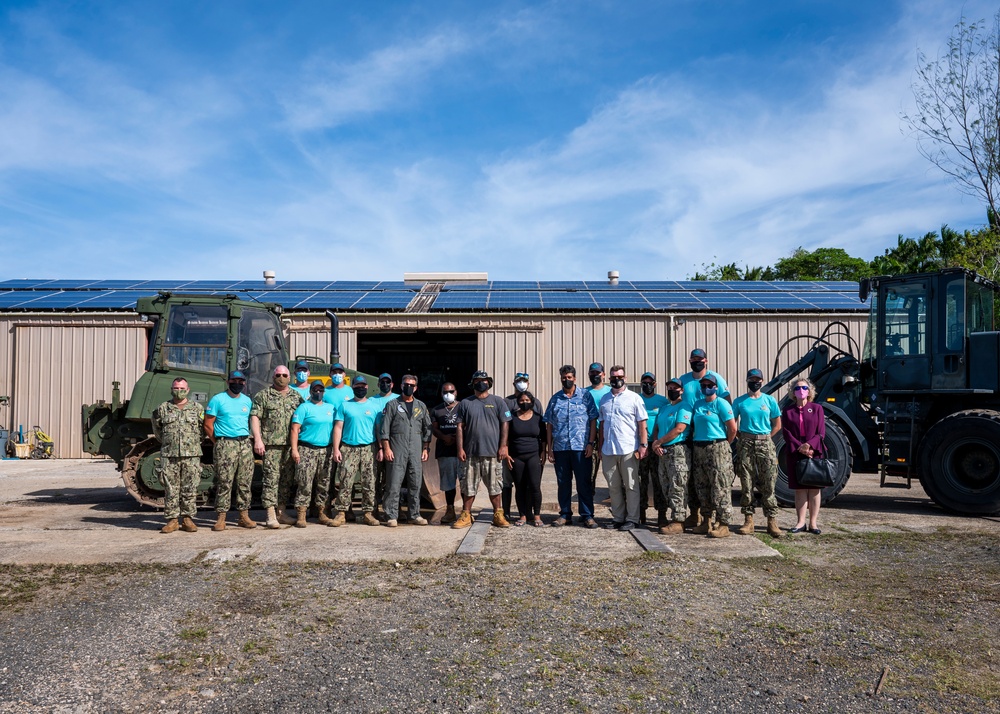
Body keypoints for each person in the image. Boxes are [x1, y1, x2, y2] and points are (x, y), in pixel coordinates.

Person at [453, 370, 512, 529]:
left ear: (489, 383)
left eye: (484, 380)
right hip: (471, 453)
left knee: (495, 486)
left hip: (493, 453)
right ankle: (466, 514)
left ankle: (498, 514)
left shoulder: (498, 402)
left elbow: (505, 423)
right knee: (468, 486)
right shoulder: (465, 403)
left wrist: (503, 446)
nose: (481, 383)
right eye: (478, 380)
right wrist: (460, 448)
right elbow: (459, 427)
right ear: (473, 383)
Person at [679, 348, 731, 530]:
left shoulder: (716, 378)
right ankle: (698, 516)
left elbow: (729, 414)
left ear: (706, 360)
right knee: (696, 480)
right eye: (693, 358)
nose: (696, 361)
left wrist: (724, 441)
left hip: (715, 438)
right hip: (692, 436)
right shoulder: (683, 380)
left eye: (700, 359)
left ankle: (721, 521)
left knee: (718, 482)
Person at [544, 365, 599, 528]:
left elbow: (593, 420)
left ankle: (587, 515)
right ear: (560, 378)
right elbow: (549, 424)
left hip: (581, 447)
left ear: (574, 378)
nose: (566, 380)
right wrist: (550, 448)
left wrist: (590, 443)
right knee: (563, 482)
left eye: (569, 377)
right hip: (561, 448)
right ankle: (565, 514)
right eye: (563, 377)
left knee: (583, 482)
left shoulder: (585, 396)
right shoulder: (555, 398)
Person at [250, 365, 304, 529]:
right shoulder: (263, 395)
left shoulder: (296, 397)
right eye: (278, 374)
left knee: (286, 481)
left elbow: (304, 417)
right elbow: (255, 417)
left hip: (290, 446)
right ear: (273, 377)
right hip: (271, 445)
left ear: (290, 377)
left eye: (284, 375)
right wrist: (258, 439)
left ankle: (281, 512)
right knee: (270, 480)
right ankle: (270, 514)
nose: (281, 377)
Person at [732, 368, 783, 538]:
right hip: (745, 443)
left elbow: (777, 423)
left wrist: (768, 436)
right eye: (752, 379)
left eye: (758, 379)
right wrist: (741, 437)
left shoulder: (769, 400)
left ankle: (772, 521)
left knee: (769, 480)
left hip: (765, 443)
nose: (755, 382)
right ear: (747, 381)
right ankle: (748, 520)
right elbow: (732, 423)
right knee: (746, 481)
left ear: (762, 381)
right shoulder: (740, 401)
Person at [598, 365, 648, 531]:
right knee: (613, 486)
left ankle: (633, 518)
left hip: (628, 449)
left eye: (619, 376)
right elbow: (602, 425)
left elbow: (642, 424)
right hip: (608, 450)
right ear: (609, 379)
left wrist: (643, 445)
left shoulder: (634, 398)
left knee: (631, 485)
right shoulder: (604, 399)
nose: (616, 380)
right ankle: (618, 518)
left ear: (625, 378)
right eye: (613, 377)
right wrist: (600, 447)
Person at [151, 377, 204, 534]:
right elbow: (157, 430)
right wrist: (169, 443)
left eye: (182, 389)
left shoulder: (197, 409)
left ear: (188, 390)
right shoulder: (163, 408)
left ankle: (188, 519)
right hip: (170, 454)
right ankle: (172, 520)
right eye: (176, 388)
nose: (179, 391)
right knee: (171, 489)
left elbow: (202, 432)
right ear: (171, 389)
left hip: (191, 455)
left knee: (190, 487)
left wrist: (192, 444)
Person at [204, 370, 256, 531]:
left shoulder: (247, 401)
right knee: (224, 482)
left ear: (244, 383)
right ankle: (221, 517)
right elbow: (208, 424)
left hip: (244, 444)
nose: (238, 383)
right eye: (234, 380)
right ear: (228, 382)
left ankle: (243, 515)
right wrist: (218, 442)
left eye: (241, 381)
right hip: (225, 444)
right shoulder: (218, 400)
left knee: (244, 482)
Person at [380, 374, 432, 528]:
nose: (408, 387)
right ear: (401, 386)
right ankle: (391, 515)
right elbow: (384, 429)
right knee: (394, 483)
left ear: (415, 388)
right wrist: (387, 448)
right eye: (406, 384)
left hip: (415, 449)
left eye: (412, 385)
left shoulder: (421, 406)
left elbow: (427, 429)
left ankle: (414, 514)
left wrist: (426, 448)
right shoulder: (392, 405)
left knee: (415, 482)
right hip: (397, 448)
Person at [689, 373, 737, 538]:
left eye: (710, 385)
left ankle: (723, 523)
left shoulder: (721, 404)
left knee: (720, 486)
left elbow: (732, 429)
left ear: (716, 387)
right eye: (704, 385)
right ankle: (706, 521)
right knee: (702, 486)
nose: (706, 388)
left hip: (717, 447)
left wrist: (724, 445)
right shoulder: (698, 404)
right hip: (699, 448)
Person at [330, 375, 381, 527]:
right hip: (348, 448)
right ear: (352, 387)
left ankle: (368, 513)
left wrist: (380, 448)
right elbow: (338, 428)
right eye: (357, 386)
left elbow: (378, 429)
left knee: (369, 482)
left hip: (369, 449)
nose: (361, 388)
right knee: (346, 481)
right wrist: (336, 449)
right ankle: (341, 513)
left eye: (363, 386)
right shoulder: (344, 406)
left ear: (367, 387)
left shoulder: (373, 406)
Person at [289, 382, 337, 527]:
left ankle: (322, 512)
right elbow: (294, 429)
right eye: (315, 389)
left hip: (326, 451)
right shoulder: (304, 407)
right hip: (307, 449)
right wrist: (294, 449)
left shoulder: (331, 408)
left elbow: (337, 428)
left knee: (325, 483)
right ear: (310, 391)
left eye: (320, 390)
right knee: (305, 482)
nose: (318, 392)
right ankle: (301, 514)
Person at [782, 378, 825, 535]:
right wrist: (800, 448)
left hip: (814, 453)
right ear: (793, 392)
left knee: (813, 489)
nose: (801, 390)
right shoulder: (787, 411)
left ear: (810, 391)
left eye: (804, 387)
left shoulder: (817, 408)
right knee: (799, 489)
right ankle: (800, 522)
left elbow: (821, 432)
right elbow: (786, 433)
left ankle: (813, 523)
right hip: (795, 452)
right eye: (798, 388)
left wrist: (810, 446)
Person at [650, 378, 692, 535]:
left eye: (675, 388)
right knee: (666, 485)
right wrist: (656, 443)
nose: (672, 390)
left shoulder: (685, 406)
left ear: (681, 390)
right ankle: (672, 517)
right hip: (663, 452)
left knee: (677, 486)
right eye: (669, 387)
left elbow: (679, 429)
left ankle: (678, 521)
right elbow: (657, 428)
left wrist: (659, 442)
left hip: (678, 451)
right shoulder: (665, 408)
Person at [503, 371, 544, 521]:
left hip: (532, 453)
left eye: (524, 381)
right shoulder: (506, 402)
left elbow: (541, 428)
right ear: (514, 383)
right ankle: (506, 512)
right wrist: (504, 449)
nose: (522, 384)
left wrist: (543, 451)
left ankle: (531, 512)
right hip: (513, 452)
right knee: (509, 483)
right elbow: (504, 429)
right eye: (519, 381)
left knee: (532, 484)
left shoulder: (536, 403)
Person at [638, 372, 669, 527]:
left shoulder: (662, 401)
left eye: (650, 382)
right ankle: (641, 512)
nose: (647, 385)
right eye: (644, 382)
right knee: (640, 480)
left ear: (655, 384)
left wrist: (660, 442)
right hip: (640, 446)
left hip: (657, 445)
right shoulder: (636, 399)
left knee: (659, 480)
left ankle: (662, 514)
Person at [431, 382, 462, 524]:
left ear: (456, 392)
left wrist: (457, 438)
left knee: (465, 482)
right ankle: (450, 510)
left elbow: (468, 425)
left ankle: (466, 511)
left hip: (462, 451)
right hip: (445, 451)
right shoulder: (437, 410)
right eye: (445, 392)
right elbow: (434, 428)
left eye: (451, 391)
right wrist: (445, 437)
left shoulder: (463, 407)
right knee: (449, 484)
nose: (448, 394)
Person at [369, 373, 398, 515]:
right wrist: (381, 447)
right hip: (377, 445)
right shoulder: (371, 401)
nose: (385, 384)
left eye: (388, 382)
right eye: (382, 382)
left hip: (396, 445)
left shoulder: (398, 399)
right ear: (378, 384)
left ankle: (392, 509)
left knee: (393, 479)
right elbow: (375, 426)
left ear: (392, 384)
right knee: (374, 478)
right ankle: (373, 509)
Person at [584, 362, 611, 489]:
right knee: (590, 471)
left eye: (597, 373)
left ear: (603, 375)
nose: (595, 375)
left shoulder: (610, 391)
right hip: (591, 435)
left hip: (608, 434)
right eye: (592, 373)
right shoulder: (584, 393)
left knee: (613, 470)